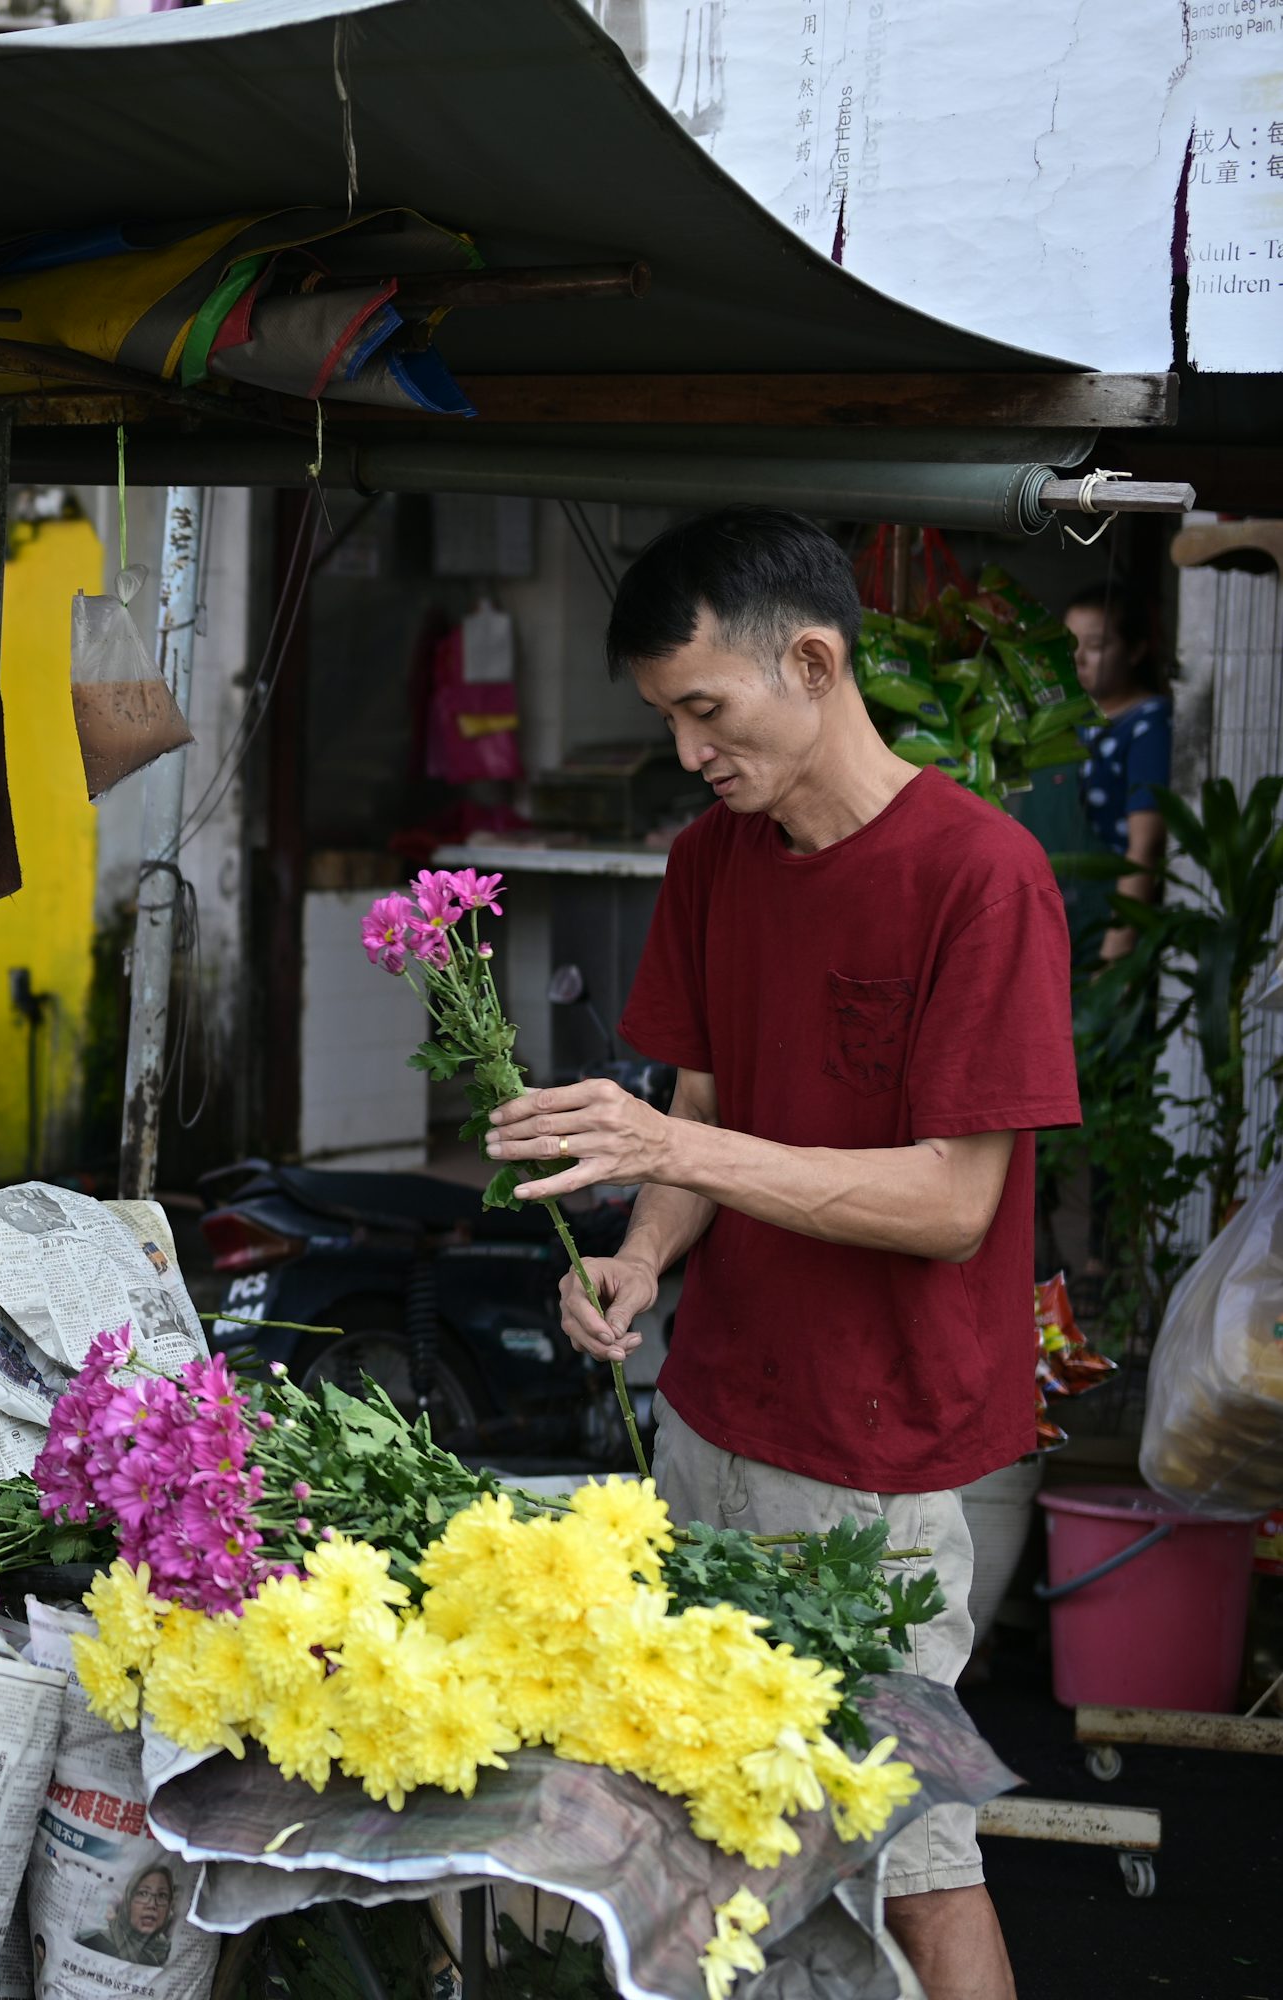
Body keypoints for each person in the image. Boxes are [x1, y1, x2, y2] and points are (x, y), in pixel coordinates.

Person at [483, 508, 1073, 2000]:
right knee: (723, 1839)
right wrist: (644, 1258)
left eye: (707, 710)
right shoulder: (717, 862)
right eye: (670, 719)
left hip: (888, 1454)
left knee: (907, 1852)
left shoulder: (981, 876)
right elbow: (709, 1101)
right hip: (714, 1416)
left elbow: (953, 1202)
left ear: (812, 661)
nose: (690, 752)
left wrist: (674, 1159)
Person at [1064, 583, 1173, 960]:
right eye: (1071, 644)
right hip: (1069, 917)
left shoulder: (1149, 725)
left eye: (1095, 646)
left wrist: (1114, 963)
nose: (1079, 659)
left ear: (1136, 650)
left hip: (1112, 917)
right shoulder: (1074, 719)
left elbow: (1144, 847)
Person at [73, 1864, 178, 1966]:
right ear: (128, 1900)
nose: (152, 1904)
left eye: (162, 1895)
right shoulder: (94, 1943)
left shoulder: (166, 1952)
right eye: (143, 1894)